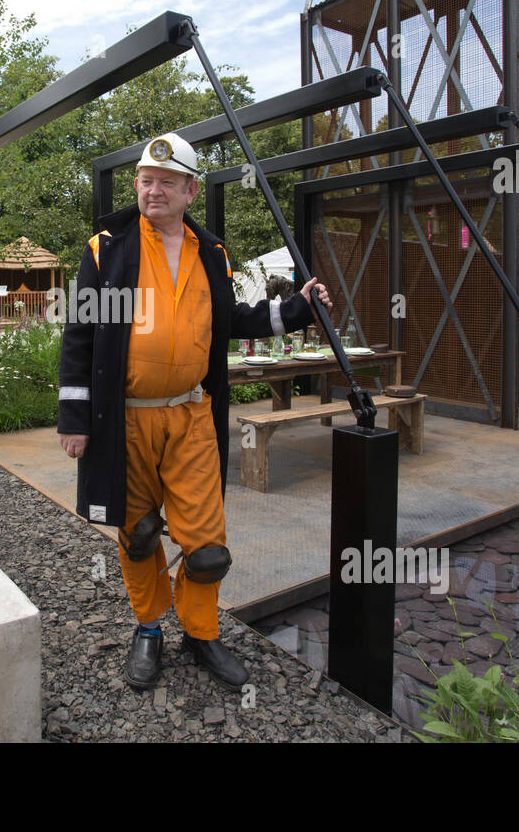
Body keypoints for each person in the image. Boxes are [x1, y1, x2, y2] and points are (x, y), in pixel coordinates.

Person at [57, 131, 332, 691]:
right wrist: (74, 417)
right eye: (145, 180)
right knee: (137, 534)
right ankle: (150, 628)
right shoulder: (106, 248)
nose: (152, 191)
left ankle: (201, 630)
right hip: (126, 419)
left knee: (206, 548)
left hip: (191, 416)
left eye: (165, 182)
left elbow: (233, 321)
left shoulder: (213, 252)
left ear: (190, 189)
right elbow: (80, 334)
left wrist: (300, 308)